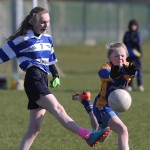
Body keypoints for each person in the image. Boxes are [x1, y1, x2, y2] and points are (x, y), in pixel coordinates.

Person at [0, 6, 110, 149]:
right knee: (58, 108)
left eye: (48, 22)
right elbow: (2, 55)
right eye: (42, 22)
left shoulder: (48, 38)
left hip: (43, 78)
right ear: (32, 22)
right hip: (33, 79)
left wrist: (56, 75)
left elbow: (51, 59)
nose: (46, 25)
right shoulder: (23, 39)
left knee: (34, 129)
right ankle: (88, 136)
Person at [73, 42, 137, 150]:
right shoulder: (106, 67)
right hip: (102, 106)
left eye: (122, 56)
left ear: (126, 56)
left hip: (114, 107)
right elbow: (104, 73)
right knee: (123, 130)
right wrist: (113, 74)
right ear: (109, 57)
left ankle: (86, 102)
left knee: (101, 138)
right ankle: (88, 104)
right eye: (116, 56)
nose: (120, 58)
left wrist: (133, 72)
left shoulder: (127, 67)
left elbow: (133, 73)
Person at [123, 19, 144, 92]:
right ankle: (129, 85)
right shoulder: (127, 33)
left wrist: (141, 52)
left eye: (134, 25)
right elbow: (124, 42)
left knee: (139, 70)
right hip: (129, 54)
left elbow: (138, 43)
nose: (133, 26)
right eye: (132, 25)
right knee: (129, 71)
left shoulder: (138, 33)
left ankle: (140, 85)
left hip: (136, 54)